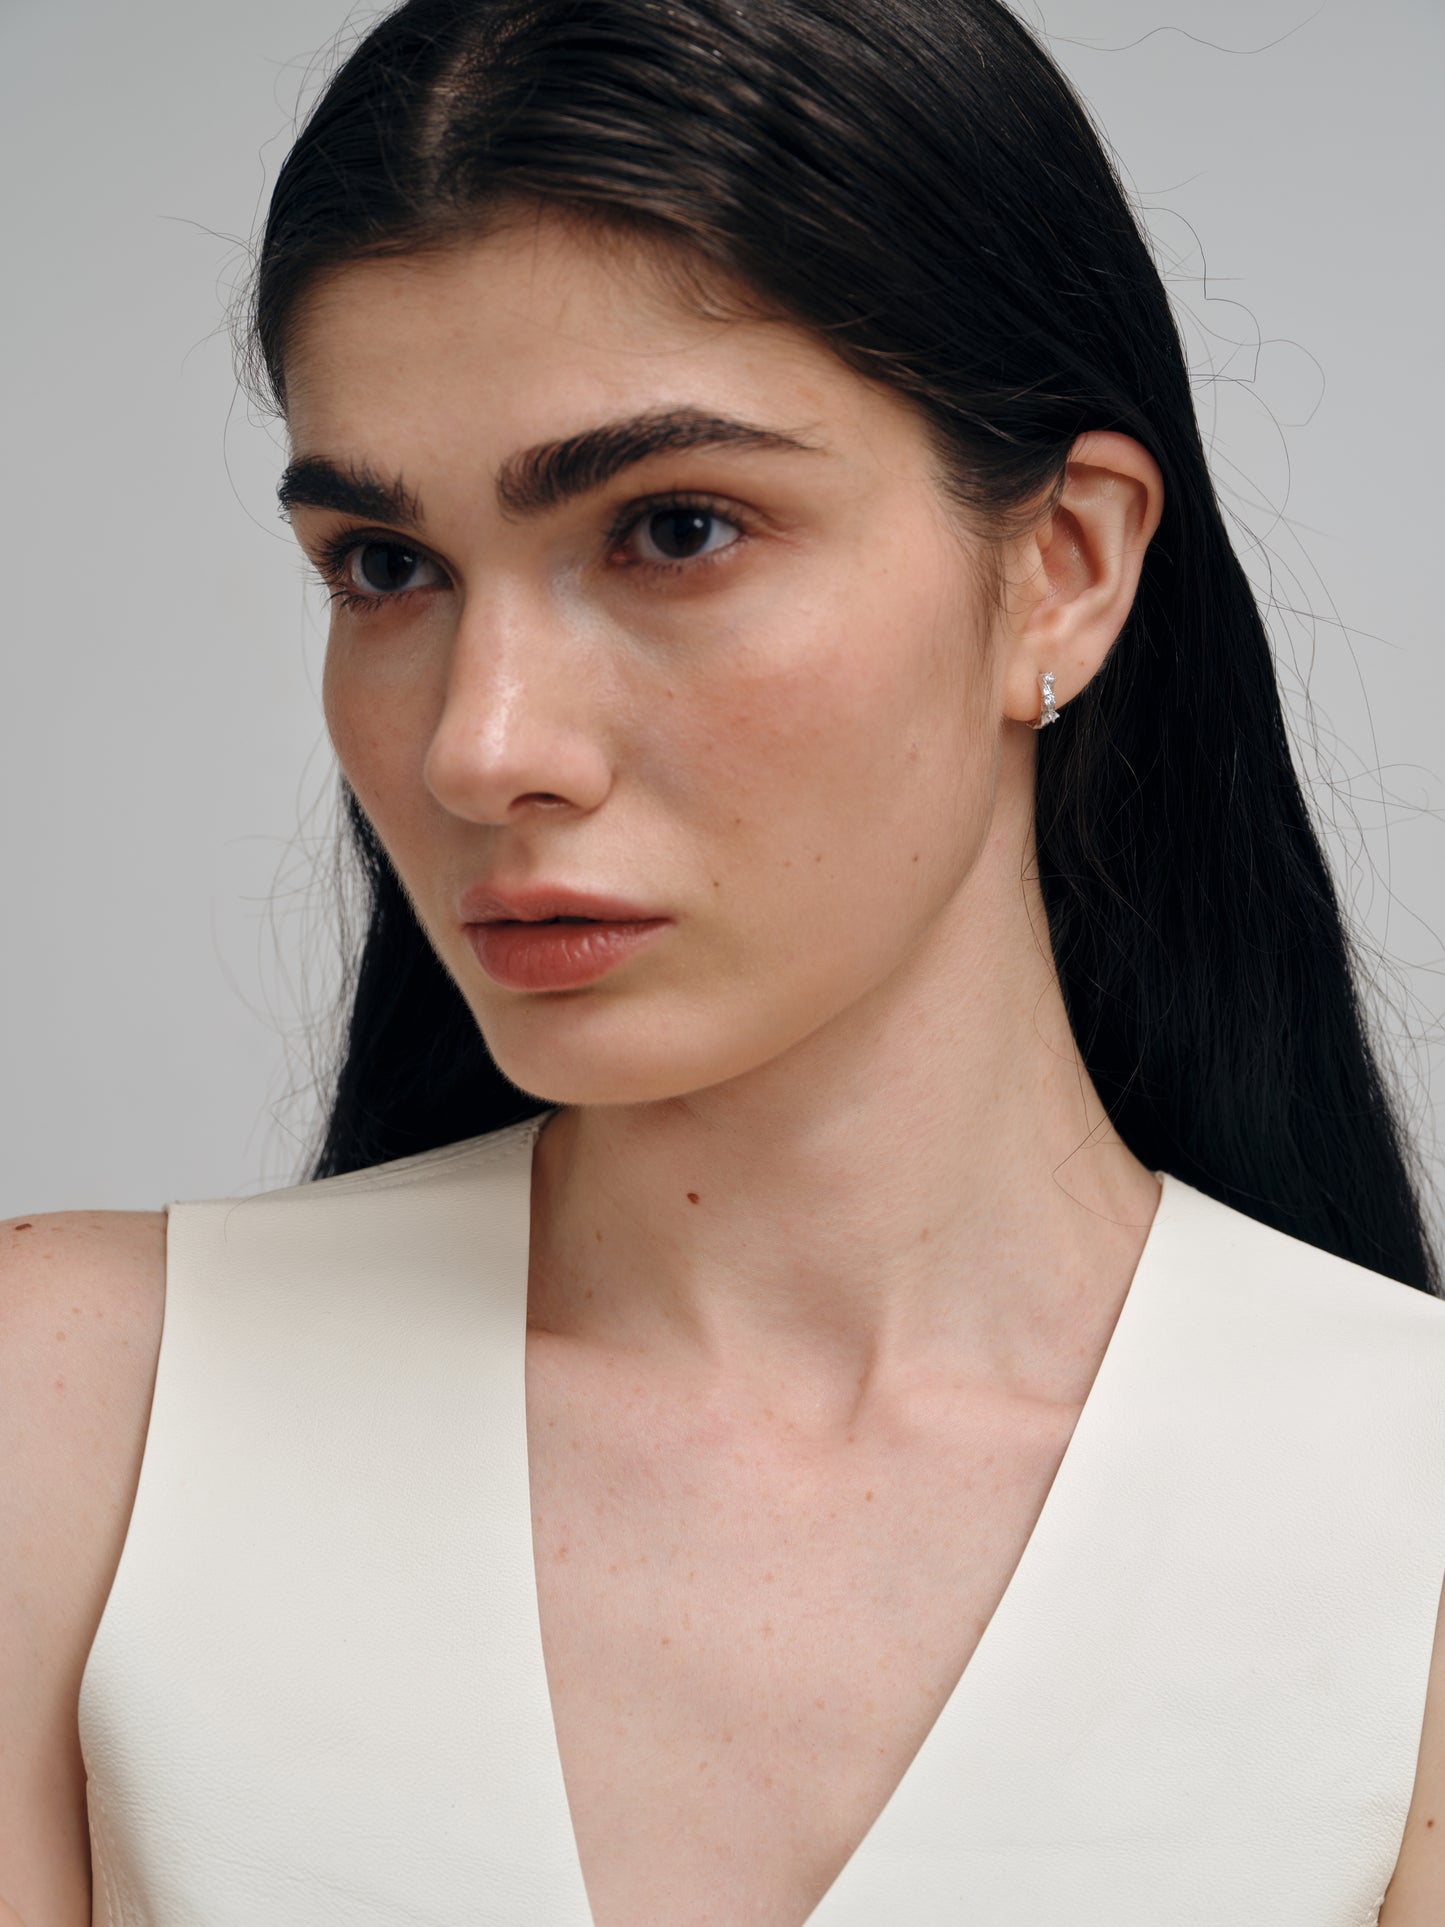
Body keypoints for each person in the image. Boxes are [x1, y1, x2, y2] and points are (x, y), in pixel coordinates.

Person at [4, 0, 1444, 1920]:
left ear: (1066, 568)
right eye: (382, 566)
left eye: (674, 528)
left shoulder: (1403, 1528)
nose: (477, 746)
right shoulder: (77, 1416)